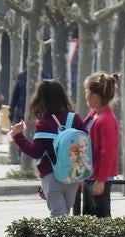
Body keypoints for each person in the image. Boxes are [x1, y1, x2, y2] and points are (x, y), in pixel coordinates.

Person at [10, 79, 89, 217]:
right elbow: (85, 143)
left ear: (41, 100)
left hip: (52, 176)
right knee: (65, 212)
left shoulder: (44, 123)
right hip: (74, 175)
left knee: (58, 215)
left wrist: (18, 136)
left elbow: (35, 151)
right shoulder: (74, 118)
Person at [81, 71, 121, 218]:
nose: (86, 95)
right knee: (88, 216)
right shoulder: (93, 115)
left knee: (101, 216)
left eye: (87, 92)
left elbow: (108, 152)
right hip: (90, 175)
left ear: (94, 96)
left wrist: (101, 180)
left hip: (99, 176)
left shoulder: (106, 120)